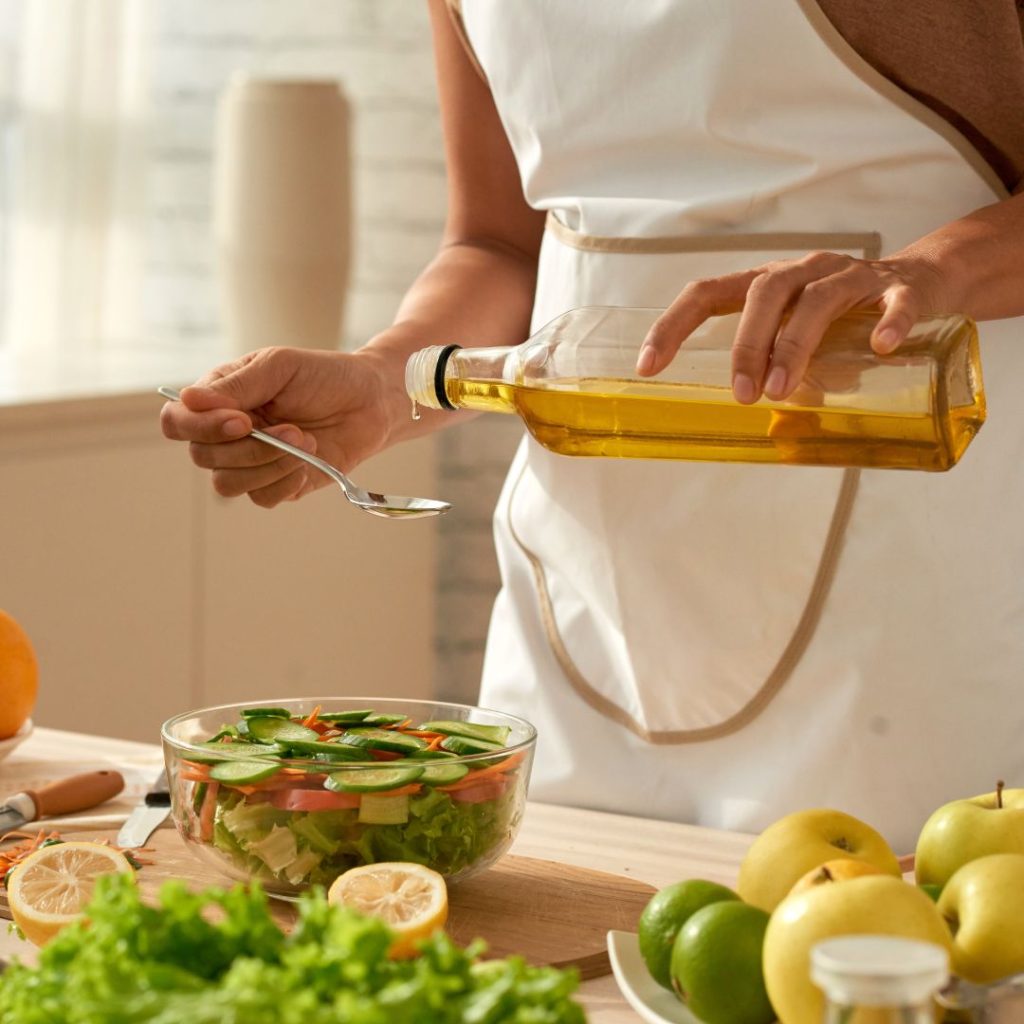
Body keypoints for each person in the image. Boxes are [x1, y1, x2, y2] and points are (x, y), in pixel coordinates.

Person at [162, 1, 1024, 853]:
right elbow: (499, 243)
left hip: (909, 605)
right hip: (585, 599)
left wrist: (930, 268)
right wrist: (388, 380)